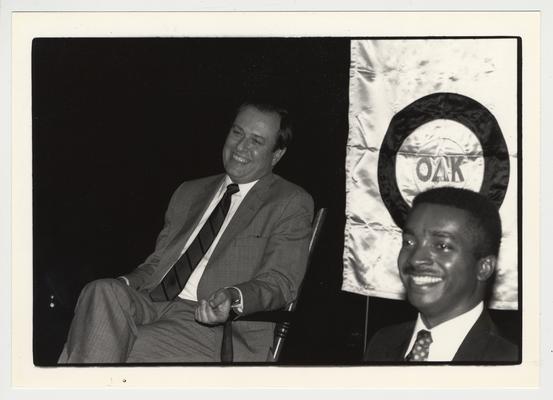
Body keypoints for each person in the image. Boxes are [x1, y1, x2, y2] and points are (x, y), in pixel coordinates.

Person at [58, 101, 314, 363]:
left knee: (98, 344)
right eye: (237, 133)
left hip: (211, 325)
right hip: (151, 302)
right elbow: (158, 264)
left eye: (256, 141)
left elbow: (280, 282)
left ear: (276, 155)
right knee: (100, 290)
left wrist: (233, 298)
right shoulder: (189, 191)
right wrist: (126, 282)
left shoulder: (289, 202)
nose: (240, 147)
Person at [364, 187, 518, 362]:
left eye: (442, 246)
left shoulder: (508, 361)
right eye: (409, 242)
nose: (415, 259)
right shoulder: (382, 343)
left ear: (483, 267)